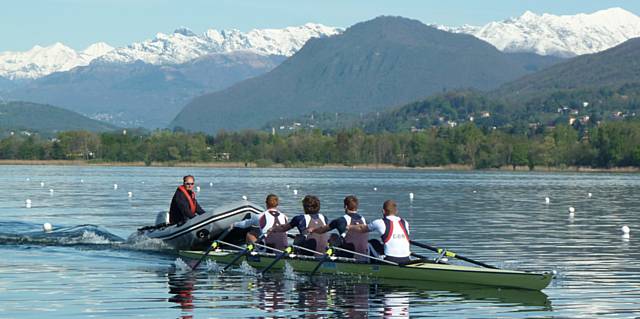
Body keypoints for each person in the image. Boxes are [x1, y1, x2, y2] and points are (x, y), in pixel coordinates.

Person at [348, 200, 412, 264]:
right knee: (378, 243)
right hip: (407, 259)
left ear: (383, 211)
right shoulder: (405, 223)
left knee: (370, 243)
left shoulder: (380, 222)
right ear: (396, 211)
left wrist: (349, 227)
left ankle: (367, 265)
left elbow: (361, 228)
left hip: (390, 260)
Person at [308, 195, 369, 261]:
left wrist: (313, 230)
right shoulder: (365, 220)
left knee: (333, 236)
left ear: (345, 206)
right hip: (364, 255)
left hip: (348, 255)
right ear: (356, 207)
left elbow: (322, 229)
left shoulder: (341, 220)